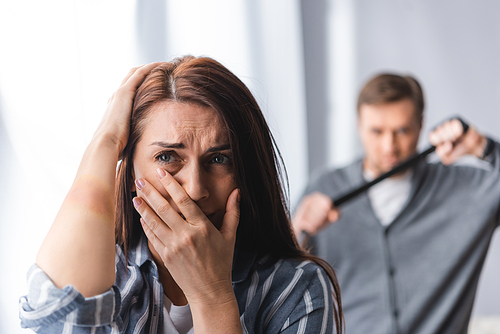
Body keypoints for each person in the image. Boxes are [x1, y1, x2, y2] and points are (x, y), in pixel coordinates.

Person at [19, 56, 343, 333]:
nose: (195, 189)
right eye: (167, 157)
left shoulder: (298, 288)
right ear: (131, 173)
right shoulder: (107, 275)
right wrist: (105, 139)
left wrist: (211, 295)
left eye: (219, 159)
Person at [292, 73, 500, 334]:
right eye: (376, 131)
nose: (389, 146)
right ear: (359, 125)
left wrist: (481, 146)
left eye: (402, 131)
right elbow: (275, 280)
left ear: (421, 125)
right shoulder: (324, 188)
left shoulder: (467, 189)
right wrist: (296, 229)